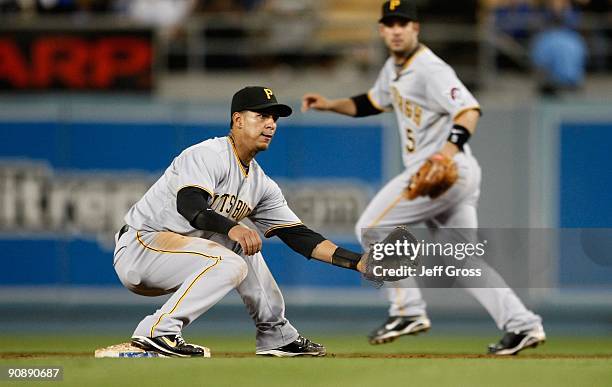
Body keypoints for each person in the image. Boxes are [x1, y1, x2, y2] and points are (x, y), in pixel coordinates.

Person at [301, 0, 546, 355]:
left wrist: (445, 153)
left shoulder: (431, 68)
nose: (397, 29)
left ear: (416, 28)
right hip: (449, 174)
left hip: (442, 169)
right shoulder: (393, 67)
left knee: (371, 227)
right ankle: (523, 324)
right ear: (382, 30)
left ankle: (407, 309)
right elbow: (371, 102)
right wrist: (329, 103)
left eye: (404, 23)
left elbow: (468, 110)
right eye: (390, 24)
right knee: (463, 259)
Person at [113, 86, 369, 358]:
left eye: (274, 118)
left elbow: (299, 237)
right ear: (237, 120)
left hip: (181, 254)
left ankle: (276, 335)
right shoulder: (208, 154)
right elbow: (190, 205)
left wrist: (358, 262)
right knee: (233, 251)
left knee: (243, 247)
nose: (270, 123)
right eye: (261, 115)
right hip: (142, 246)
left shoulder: (261, 184)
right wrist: (233, 226)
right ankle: (158, 330)